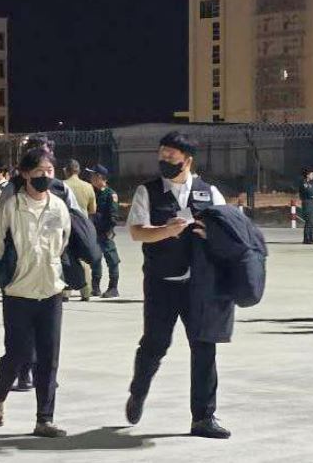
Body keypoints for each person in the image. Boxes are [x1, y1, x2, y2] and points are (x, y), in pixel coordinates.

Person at [124, 131, 230, 439]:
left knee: (204, 347)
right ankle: (138, 390)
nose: (165, 160)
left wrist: (212, 235)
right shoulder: (147, 191)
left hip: (198, 286)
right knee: (155, 344)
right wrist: (166, 231)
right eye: (162, 155)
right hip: (161, 283)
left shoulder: (210, 193)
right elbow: (137, 232)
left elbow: (228, 229)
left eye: (171, 156)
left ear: (187, 160)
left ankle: (203, 418)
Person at [0, 148, 72, 438]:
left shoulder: (58, 206)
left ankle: (44, 419)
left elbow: (63, 241)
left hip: (50, 290)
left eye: (49, 171)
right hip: (18, 291)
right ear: (24, 174)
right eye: (39, 171)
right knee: (18, 353)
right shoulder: (11, 206)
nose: (45, 176)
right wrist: (11, 273)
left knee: (49, 357)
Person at [63, 159, 96, 301]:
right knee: (84, 259)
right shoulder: (88, 186)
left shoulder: (62, 185)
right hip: (83, 226)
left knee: (67, 257)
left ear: (66, 170)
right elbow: (93, 209)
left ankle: (66, 291)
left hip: (66, 225)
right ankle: (86, 291)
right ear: (79, 170)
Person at [88, 165, 122, 298]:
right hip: (93, 231)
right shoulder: (91, 191)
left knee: (112, 259)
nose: (91, 178)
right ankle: (95, 287)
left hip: (105, 231)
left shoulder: (110, 194)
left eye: (93, 175)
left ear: (100, 177)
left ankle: (113, 287)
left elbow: (113, 215)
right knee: (95, 259)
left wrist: (109, 230)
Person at [299, 167, 313, 244]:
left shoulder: (311, 183)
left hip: (312, 203)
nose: (312, 176)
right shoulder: (304, 183)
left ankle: (311, 238)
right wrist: (312, 194)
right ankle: (306, 238)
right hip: (307, 203)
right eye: (311, 174)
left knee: (312, 221)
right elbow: (309, 192)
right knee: (309, 221)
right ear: (307, 175)